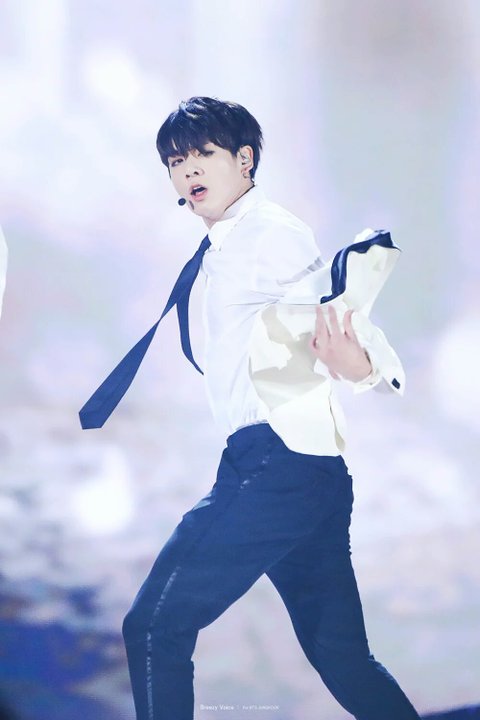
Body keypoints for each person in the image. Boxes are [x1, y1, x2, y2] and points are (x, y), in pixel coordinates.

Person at [120, 96, 420, 719]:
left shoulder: (269, 233)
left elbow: (338, 313)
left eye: (203, 153)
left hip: (275, 464)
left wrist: (367, 369)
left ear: (245, 159)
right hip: (305, 469)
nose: (187, 170)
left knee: (153, 627)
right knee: (343, 658)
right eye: (174, 161)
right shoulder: (229, 246)